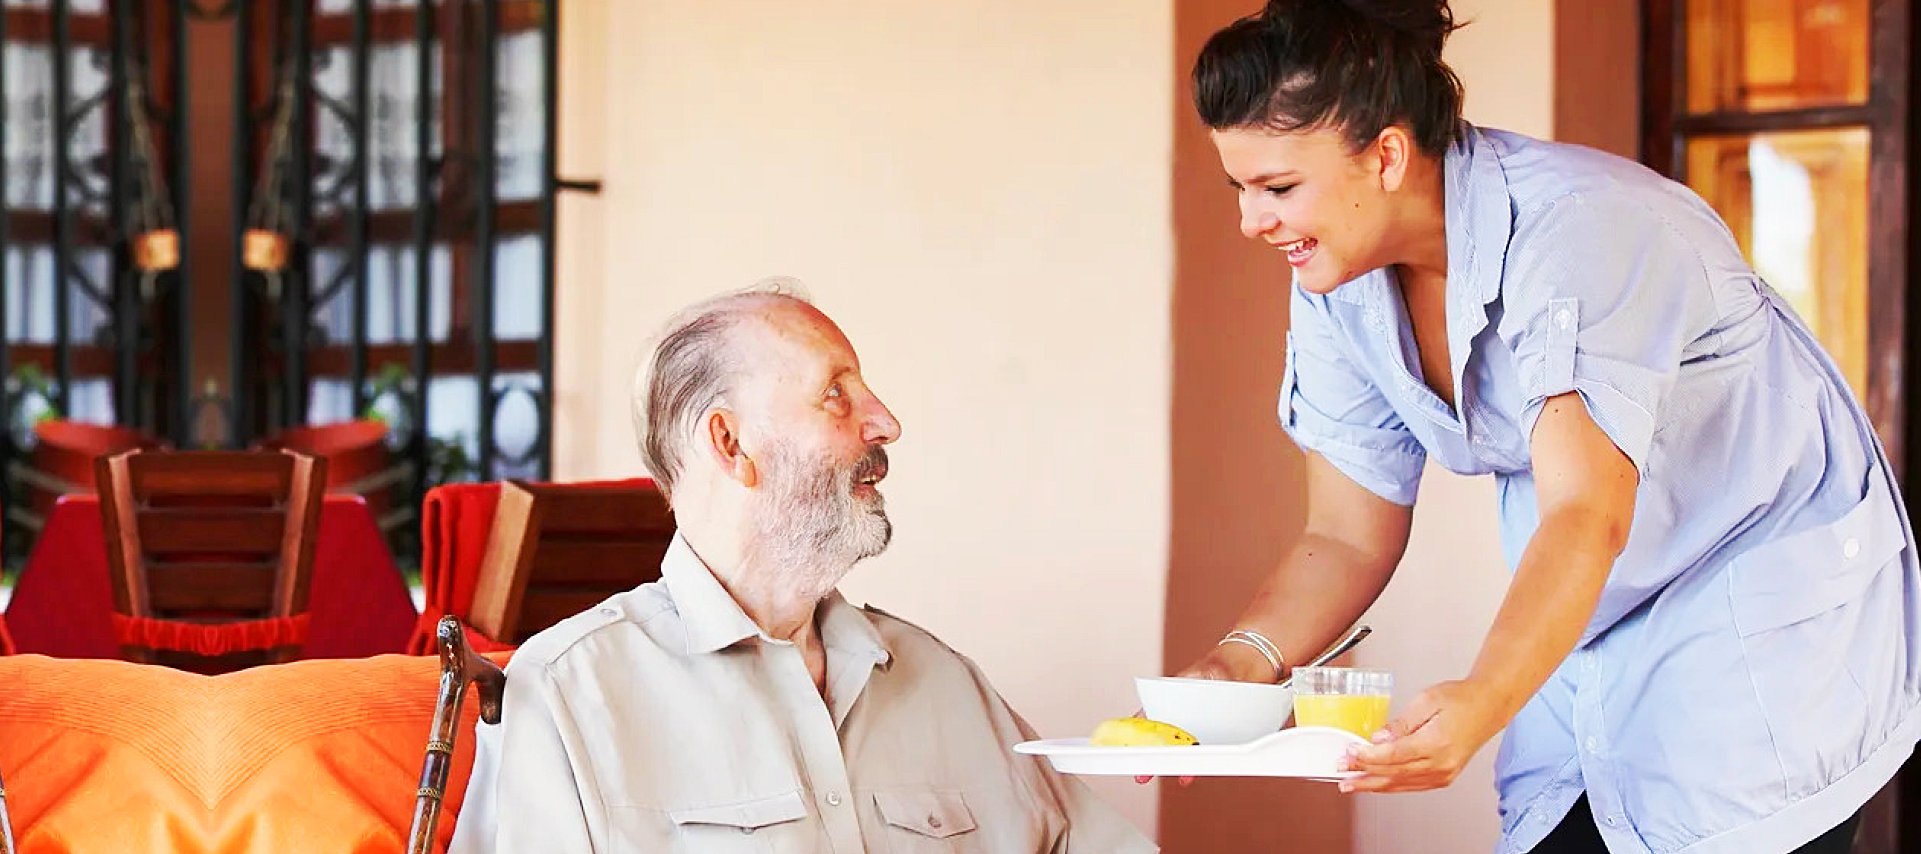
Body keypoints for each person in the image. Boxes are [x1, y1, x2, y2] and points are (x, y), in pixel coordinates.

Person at [1174, 2, 1920, 852]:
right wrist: (1237, 667)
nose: (1250, 222)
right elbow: (1346, 534)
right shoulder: (1337, 274)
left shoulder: (1582, 230)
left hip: (1755, 619)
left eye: (1276, 188)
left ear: (1384, 154)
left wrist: (1483, 699)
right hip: (1595, 608)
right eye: (1239, 187)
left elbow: (1584, 513)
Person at [449, 285, 1155, 853]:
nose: (884, 423)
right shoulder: (569, 695)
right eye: (835, 395)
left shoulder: (944, 682)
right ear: (730, 444)